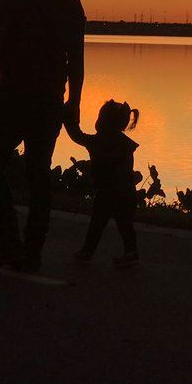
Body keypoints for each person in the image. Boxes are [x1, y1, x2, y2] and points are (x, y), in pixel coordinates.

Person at [0, 0, 86, 273]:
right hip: (11, 94)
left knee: (36, 171)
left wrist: (73, 102)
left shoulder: (65, 0)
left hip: (44, 98)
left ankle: (29, 248)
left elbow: (76, 60)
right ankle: (10, 241)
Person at [65, 98, 140, 268]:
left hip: (108, 192)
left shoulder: (98, 142)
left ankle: (87, 252)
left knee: (97, 223)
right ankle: (131, 253)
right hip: (126, 192)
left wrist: (68, 119)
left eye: (100, 118)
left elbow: (77, 135)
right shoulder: (124, 144)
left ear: (105, 123)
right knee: (125, 225)